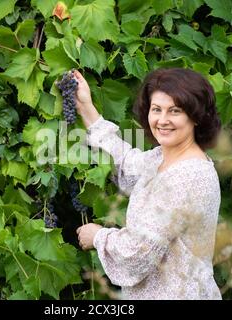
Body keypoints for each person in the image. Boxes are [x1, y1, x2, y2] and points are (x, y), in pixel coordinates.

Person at [74, 68, 222, 299]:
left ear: (196, 116)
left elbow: (138, 252)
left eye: (174, 111)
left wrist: (98, 237)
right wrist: (86, 108)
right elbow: (127, 164)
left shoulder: (188, 177)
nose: (162, 120)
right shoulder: (163, 158)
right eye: (156, 110)